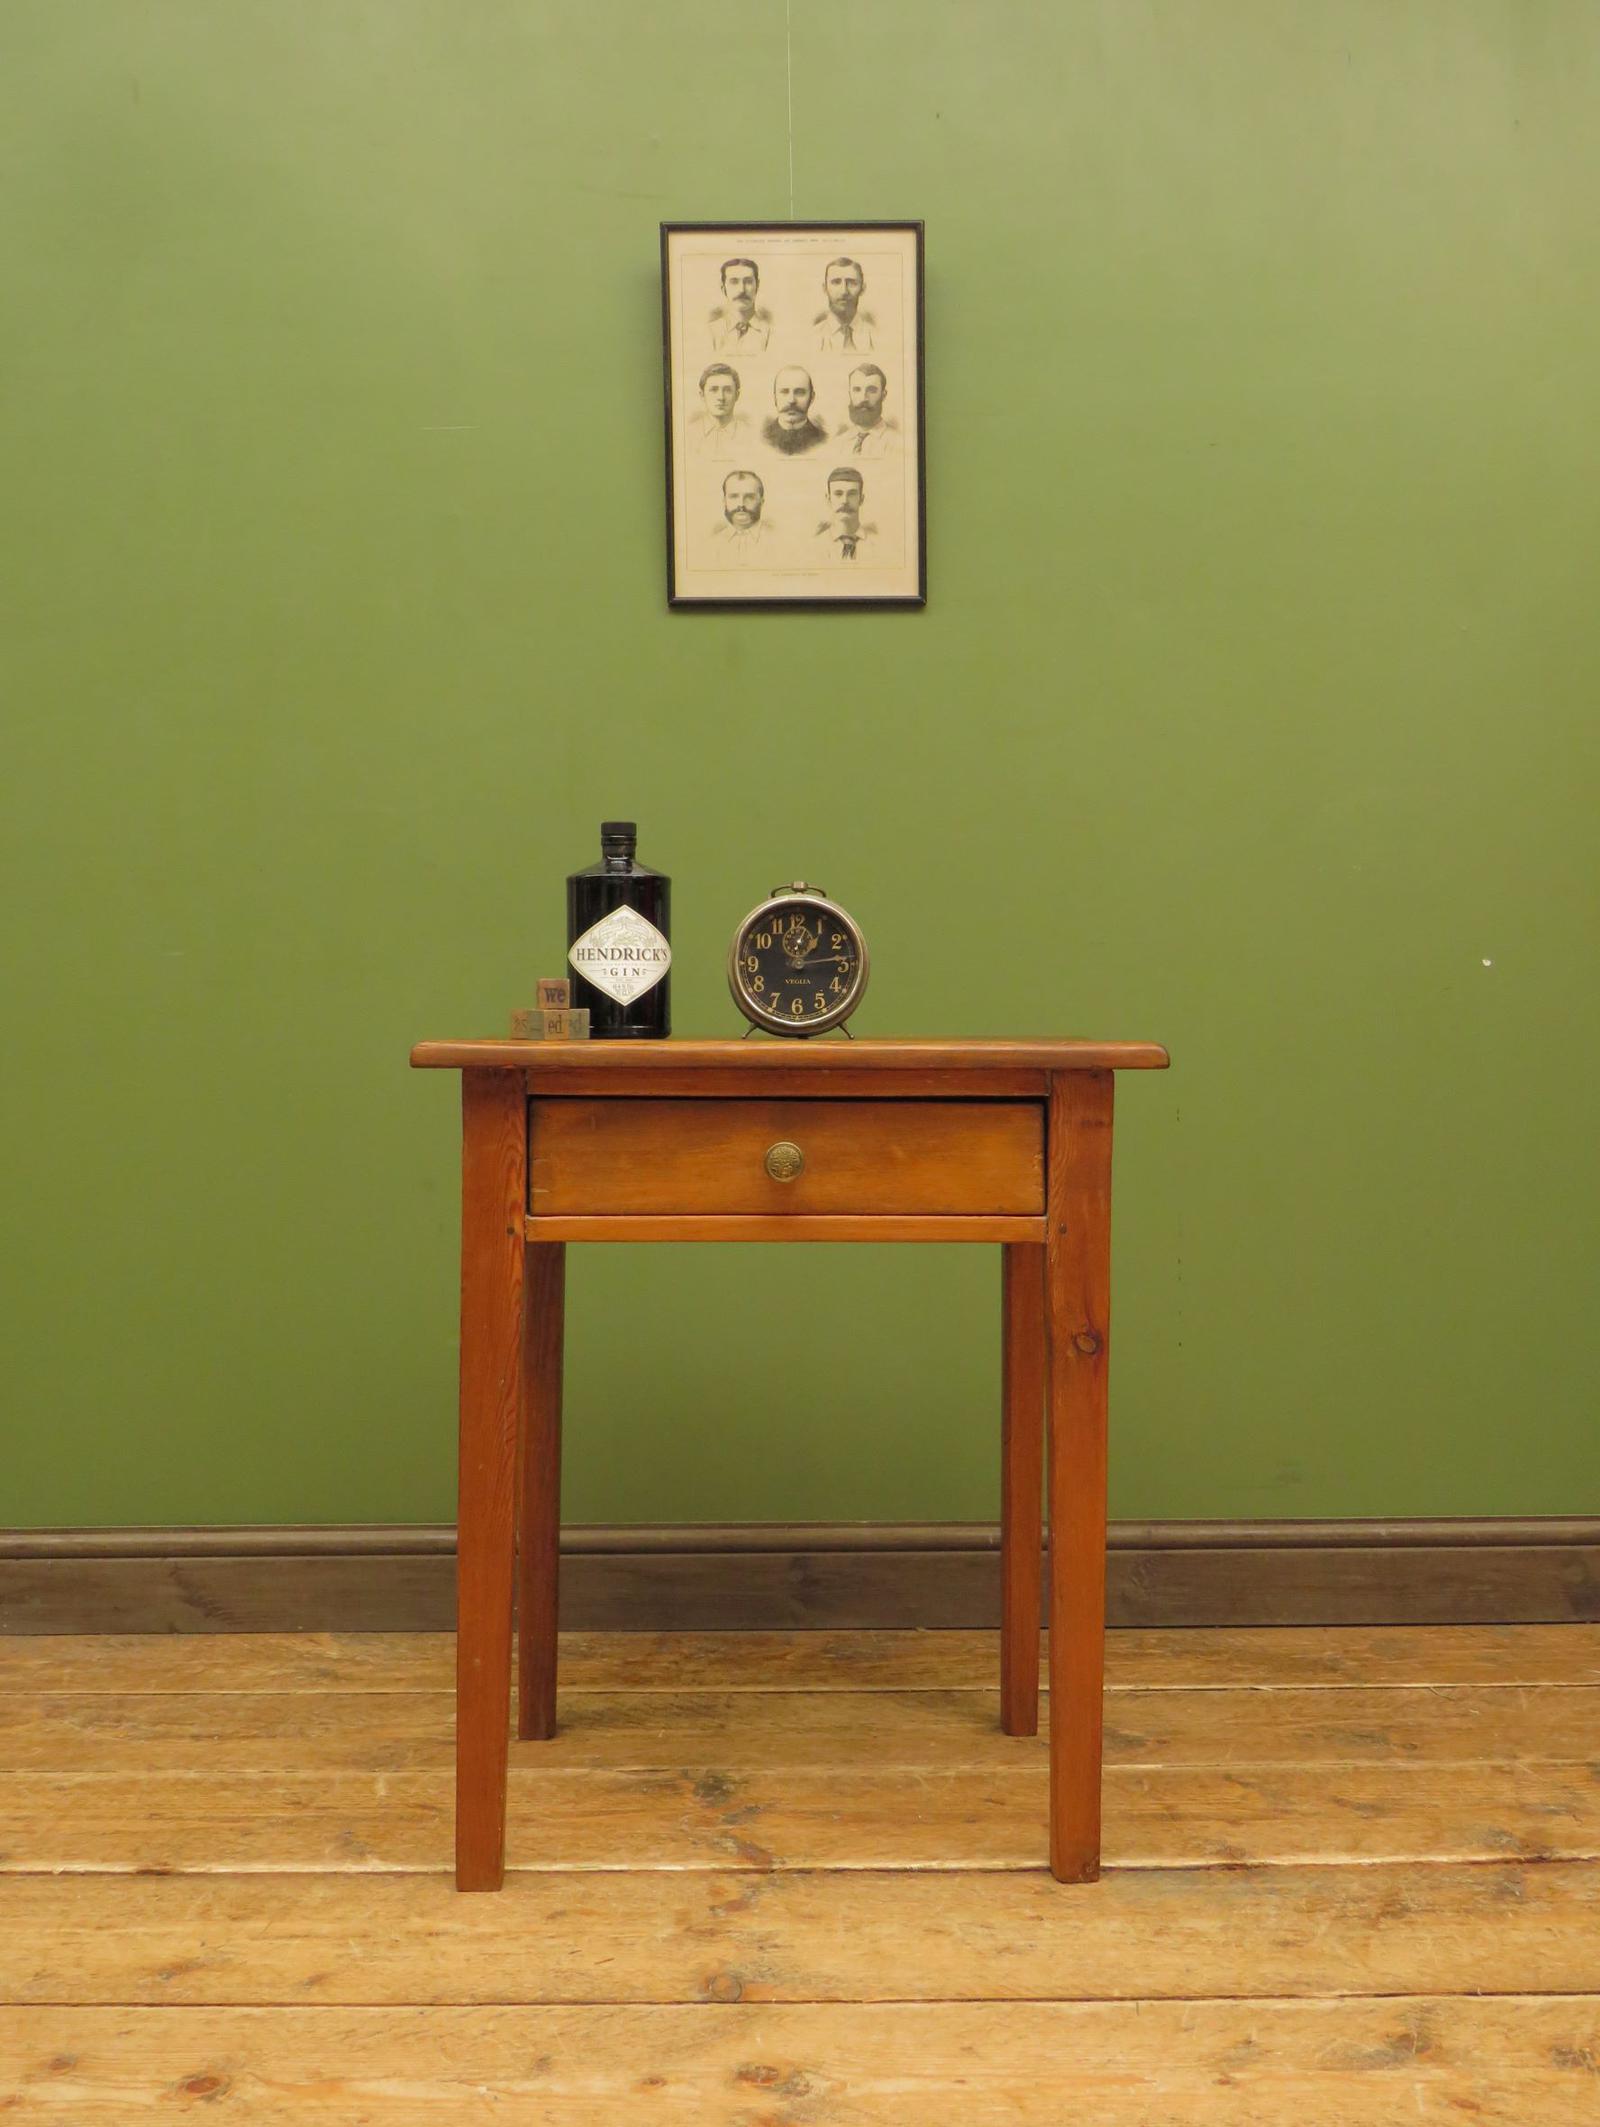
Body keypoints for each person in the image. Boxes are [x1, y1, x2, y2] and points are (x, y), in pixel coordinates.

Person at [833, 363, 900, 460]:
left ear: (883, 395)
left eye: (871, 390)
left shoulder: (898, 443)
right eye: (857, 390)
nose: (863, 398)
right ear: (850, 394)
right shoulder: (838, 443)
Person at [686, 363, 753, 458]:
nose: (721, 397)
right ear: (702, 395)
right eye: (714, 390)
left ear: (737, 395)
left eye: (728, 390)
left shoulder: (750, 435)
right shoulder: (688, 434)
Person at [813, 467, 876, 562]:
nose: (845, 501)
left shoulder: (880, 544)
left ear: (861, 499)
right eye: (838, 494)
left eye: (852, 494)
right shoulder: (814, 545)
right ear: (828, 499)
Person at [762, 367, 828, 456]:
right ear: (775, 397)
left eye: (800, 392)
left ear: (812, 397)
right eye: (784, 392)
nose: (791, 400)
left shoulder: (822, 439)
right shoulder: (764, 437)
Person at [709, 258, 770, 351]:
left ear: (757, 285)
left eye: (748, 281)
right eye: (734, 282)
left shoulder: (770, 332)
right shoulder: (711, 331)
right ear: (723, 288)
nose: (741, 290)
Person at [710, 469, 773, 558]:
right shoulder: (710, 544)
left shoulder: (779, 542)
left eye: (750, 497)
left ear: (761, 502)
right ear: (724, 501)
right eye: (734, 496)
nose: (741, 504)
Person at [815, 257, 875, 352]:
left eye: (852, 283)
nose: (844, 291)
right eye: (836, 282)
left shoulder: (879, 336)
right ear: (824, 288)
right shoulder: (810, 337)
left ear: (863, 289)